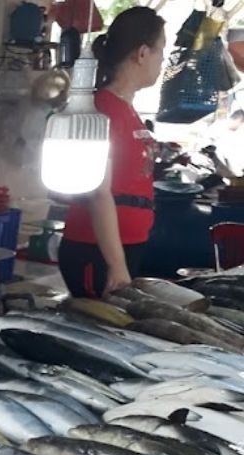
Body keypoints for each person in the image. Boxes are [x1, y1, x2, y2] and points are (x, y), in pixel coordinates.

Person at [58, 7, 166, 298]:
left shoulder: (127, 109)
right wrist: (116, 265)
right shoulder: (101, 109)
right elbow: (98, 192)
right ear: (143, 53)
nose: (162, 61)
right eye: (161, 51)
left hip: (126, 244)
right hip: (96, 251)